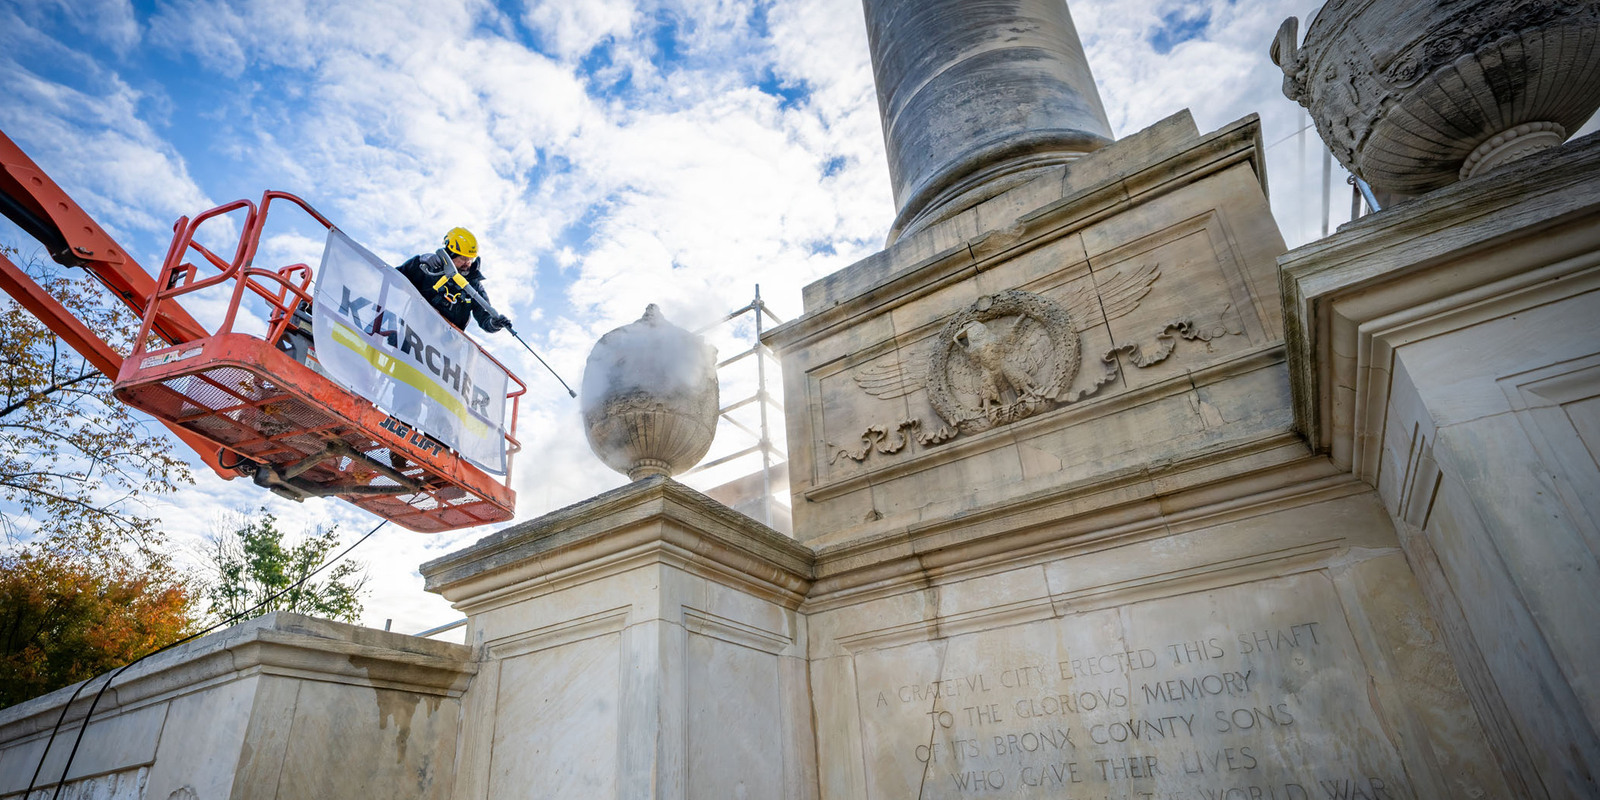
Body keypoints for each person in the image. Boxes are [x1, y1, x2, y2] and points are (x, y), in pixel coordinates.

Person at [396, 226, 510, 334]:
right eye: (463, 258)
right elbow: (396, 278)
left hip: (443, 348)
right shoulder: (429, 269)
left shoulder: (474, 287)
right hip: (409, 334)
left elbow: (484, 318)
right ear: (451, 254)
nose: (467, 263)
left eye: (470, 259)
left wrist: (494, 323)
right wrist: (420, 261)